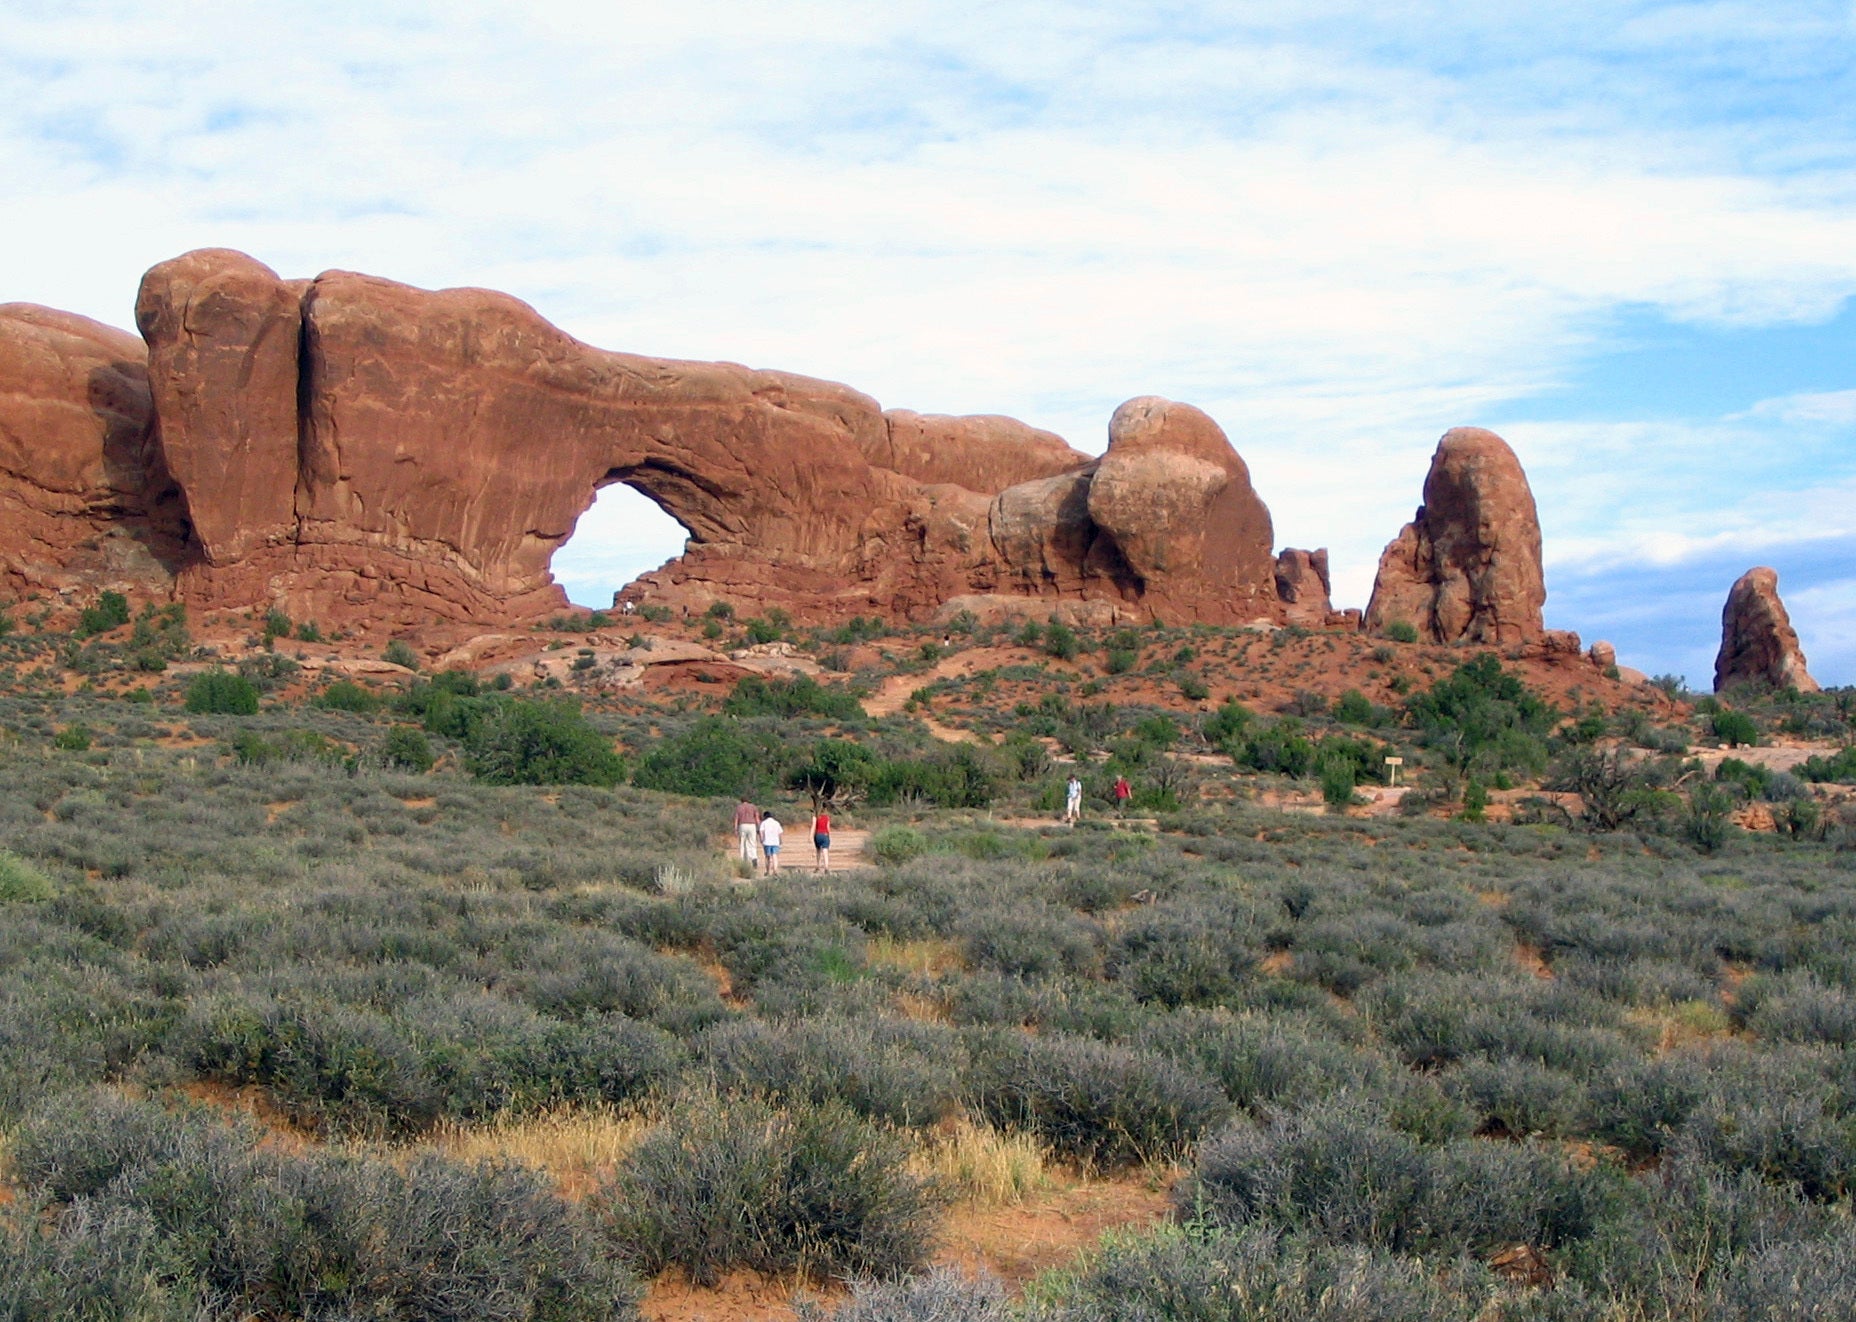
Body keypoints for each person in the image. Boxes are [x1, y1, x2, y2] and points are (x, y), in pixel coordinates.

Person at [732, 798, 759, 864]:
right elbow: (757, 818)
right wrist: (759, 827)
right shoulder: (753, 807)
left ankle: (743, 860)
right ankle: (754, 857)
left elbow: (736, 819)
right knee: (752, 842)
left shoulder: (739, 807)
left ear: (741, 801)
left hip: (742, 825)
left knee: (742, 843)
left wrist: (735, 829)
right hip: (752, 825)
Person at [758, 809, 783, 876]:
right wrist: (780, 841)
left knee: (767, 857)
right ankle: (775, 870)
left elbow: (761, 831)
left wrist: (761, 839)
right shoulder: (776, 823)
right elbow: (780, 833)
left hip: (767, 842)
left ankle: (767, 871)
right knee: (775, 856)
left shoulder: (764, 823)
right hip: (775, 842)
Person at [812, 806, 832, 874]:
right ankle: (826, 867)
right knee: (825, 852)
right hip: (825, 835)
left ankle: (818, 866)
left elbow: (814, 827)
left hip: (817, 835)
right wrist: (829, 836)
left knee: (818, 851)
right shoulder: (827, 818)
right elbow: (828, 828)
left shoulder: (816, 817)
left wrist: (811, 836)